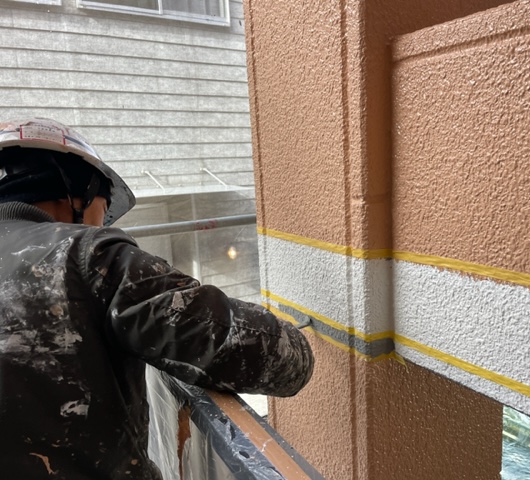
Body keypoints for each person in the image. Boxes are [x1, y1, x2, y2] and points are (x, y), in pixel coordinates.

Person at [0, 118, 314, 479]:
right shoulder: (87, 255)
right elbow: (270, 355)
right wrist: (296, 344)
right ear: (78, 192)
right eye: (104, 206)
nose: (103, 222)